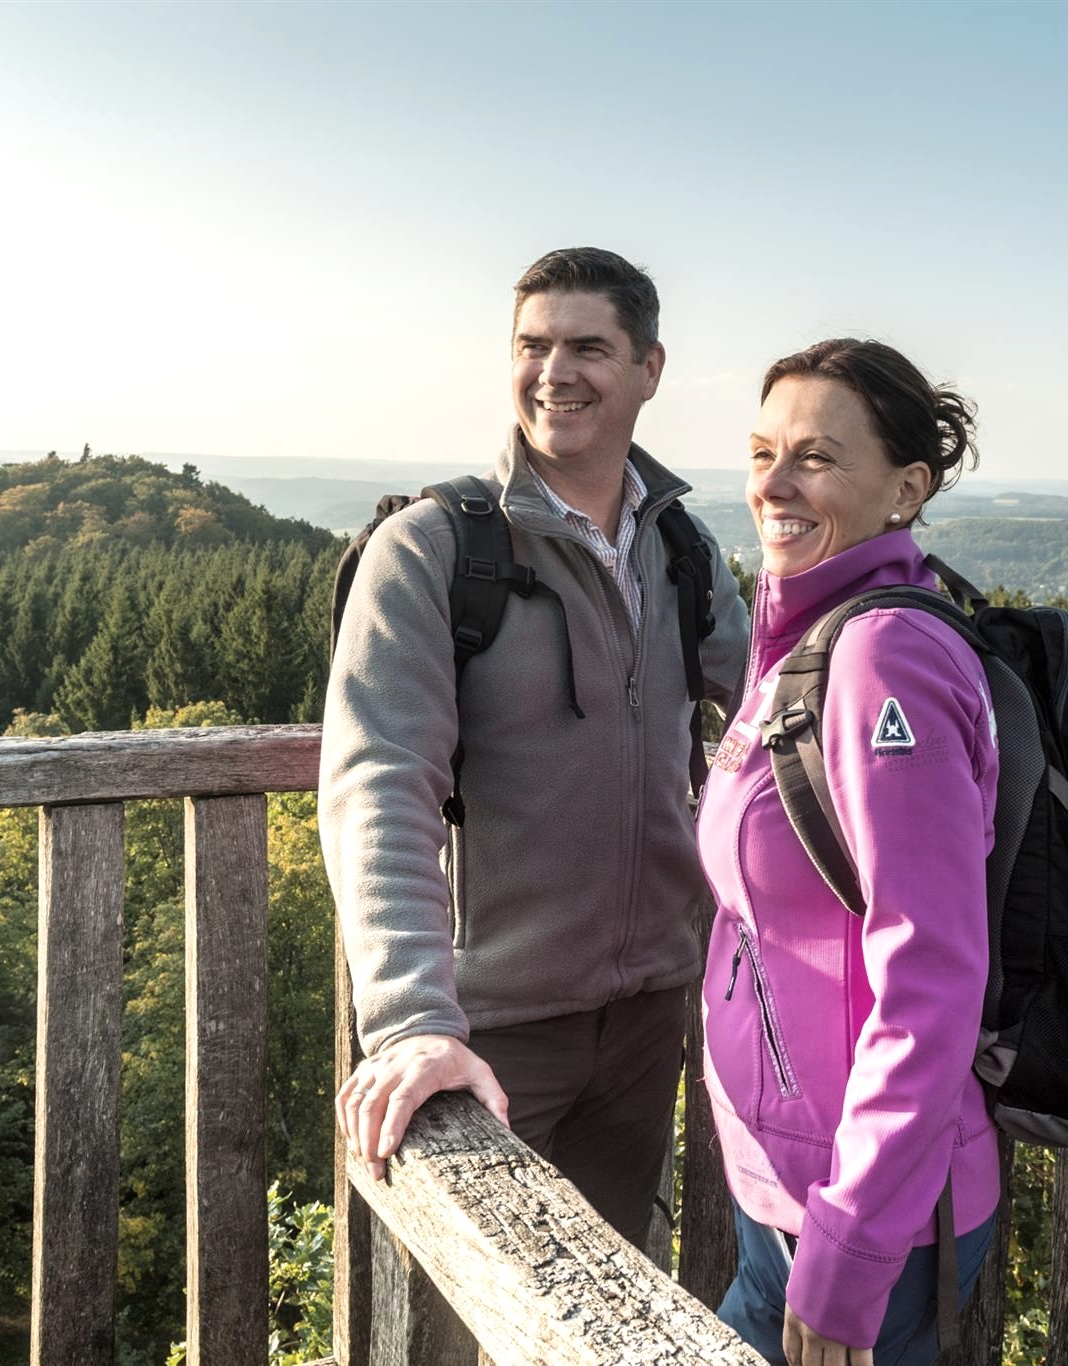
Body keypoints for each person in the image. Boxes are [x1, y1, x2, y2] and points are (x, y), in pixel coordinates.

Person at [320, 246, 749, 1249]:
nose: (554, 371)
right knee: (474, 1302)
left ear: (648, 368)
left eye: (587, 347)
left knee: (607, 1295)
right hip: (486, 1029)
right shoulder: (434, 550)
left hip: (648, 1016)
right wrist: (413, 1019)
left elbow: (776, 715)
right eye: (532, 345)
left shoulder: (680, 550)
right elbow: (378, 782)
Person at [699, 338, 1000, 1365]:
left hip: (864, 1212)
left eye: (816, 458)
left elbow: (930, 973)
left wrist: (851, 1249)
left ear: (905, 489)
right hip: (795, 1185)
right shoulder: (804, 633)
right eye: (761, 453)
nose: (773, 484)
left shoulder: (881, 659)